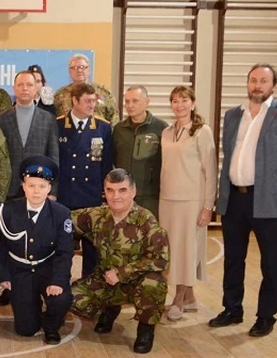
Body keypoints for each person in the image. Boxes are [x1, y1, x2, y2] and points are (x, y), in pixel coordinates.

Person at [209, 64, 277, 337]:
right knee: (233, 259)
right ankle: (232, 309)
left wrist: (274, 182)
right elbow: (230, 154)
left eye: (264, 81)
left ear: (273, 85)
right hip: (235, 199)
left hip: (267, 201)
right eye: (253, 80)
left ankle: (265, 316)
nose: (257, 85)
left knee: (270, 262)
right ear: (247, 83)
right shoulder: (233, 115)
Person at [70, 169, 170, 353]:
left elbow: (161, 260)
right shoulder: (97, 215)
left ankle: (146, 330)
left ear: (133, 191)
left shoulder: (146, 221)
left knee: (155, 284)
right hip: (105, 280)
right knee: (71, 298)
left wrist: (122, 272)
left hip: (136, 282)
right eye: (110, 190)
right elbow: (63, 219)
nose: (116, 196)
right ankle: (110, 309)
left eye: (122, 190)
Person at [0, 156, 73, 344]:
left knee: (61, 299)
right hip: (20, 270)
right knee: (25, 330)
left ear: (49, 188)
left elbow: (65, 252)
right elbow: (0, 246)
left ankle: (51, 326)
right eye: (31, 185)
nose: (36, 191)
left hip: (47, 268)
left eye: (41, 186)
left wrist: (58, 281)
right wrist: (4, 275)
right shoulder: (8, 209)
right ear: (23, 186)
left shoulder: (61, 213)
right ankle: (31, 308)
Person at [159, 86, 217, 321]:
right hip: (167, 199)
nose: (179, 105)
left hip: (191, 201)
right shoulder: (166, 132)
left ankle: (179, 299)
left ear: (192, 104)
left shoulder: (202, 132)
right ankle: (190, 298)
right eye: (175, 101)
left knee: (187, 250)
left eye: (184, 100)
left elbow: (210, 171)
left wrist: (208, 206)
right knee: (172, 250)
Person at [57, 82, 113, 278]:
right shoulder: (58, 125)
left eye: (94, 101)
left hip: (91, 196)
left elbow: (106, 164)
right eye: (87, 101)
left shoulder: (103, 127)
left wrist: (104, 195)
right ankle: (61, 285)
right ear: (75, 100)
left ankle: (89, 287)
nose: (92, 105)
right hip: (65, 196)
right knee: (63, 247)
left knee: (92, 248)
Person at [0, 70, 59, 200]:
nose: (25, 88)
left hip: (38, 186)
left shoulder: (49, 119)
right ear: (14, 88)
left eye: (29, 85)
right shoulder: (1, 119)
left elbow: (53, 157)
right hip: (9, 188)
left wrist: (52, 191)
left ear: (36, 88)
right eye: (20, 85)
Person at [112, 85, 167, 218]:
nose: (130, 105)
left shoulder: (161, 128)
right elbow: (114, 158)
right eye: (127, 101)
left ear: (147, 102)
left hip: (151, 197)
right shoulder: (119, 129)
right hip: (124, 196)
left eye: (135, 101)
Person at [53, 54, 118, 125]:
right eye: (74, 68)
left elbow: (114, 119)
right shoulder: (60, 95)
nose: (79, 70)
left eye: (82, 67)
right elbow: (53, 121)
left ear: (89, 70)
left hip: (99, 131)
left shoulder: (104, 93)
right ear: (69, 72)